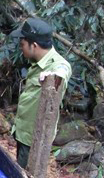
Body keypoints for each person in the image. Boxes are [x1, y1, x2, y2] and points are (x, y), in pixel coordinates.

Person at [11, 18, 72, 168]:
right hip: (24, 133)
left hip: (34, 139)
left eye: (23, 45)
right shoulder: (37, 62)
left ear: (34, 45)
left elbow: (63, 71)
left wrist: (53, 75)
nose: (21, 48)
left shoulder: (57, 64)